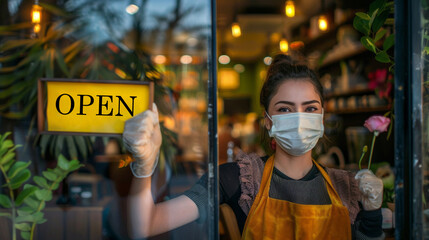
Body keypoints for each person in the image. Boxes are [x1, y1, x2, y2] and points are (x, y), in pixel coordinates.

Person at [124, 54, 385, 239]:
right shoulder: (237, 179)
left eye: (310, 108)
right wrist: (144, 166)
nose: (299, 117)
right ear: (268, 121)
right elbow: (145, 226)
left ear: (322, 118)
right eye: (285, 109)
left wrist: (372, 213)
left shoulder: (346, 187)